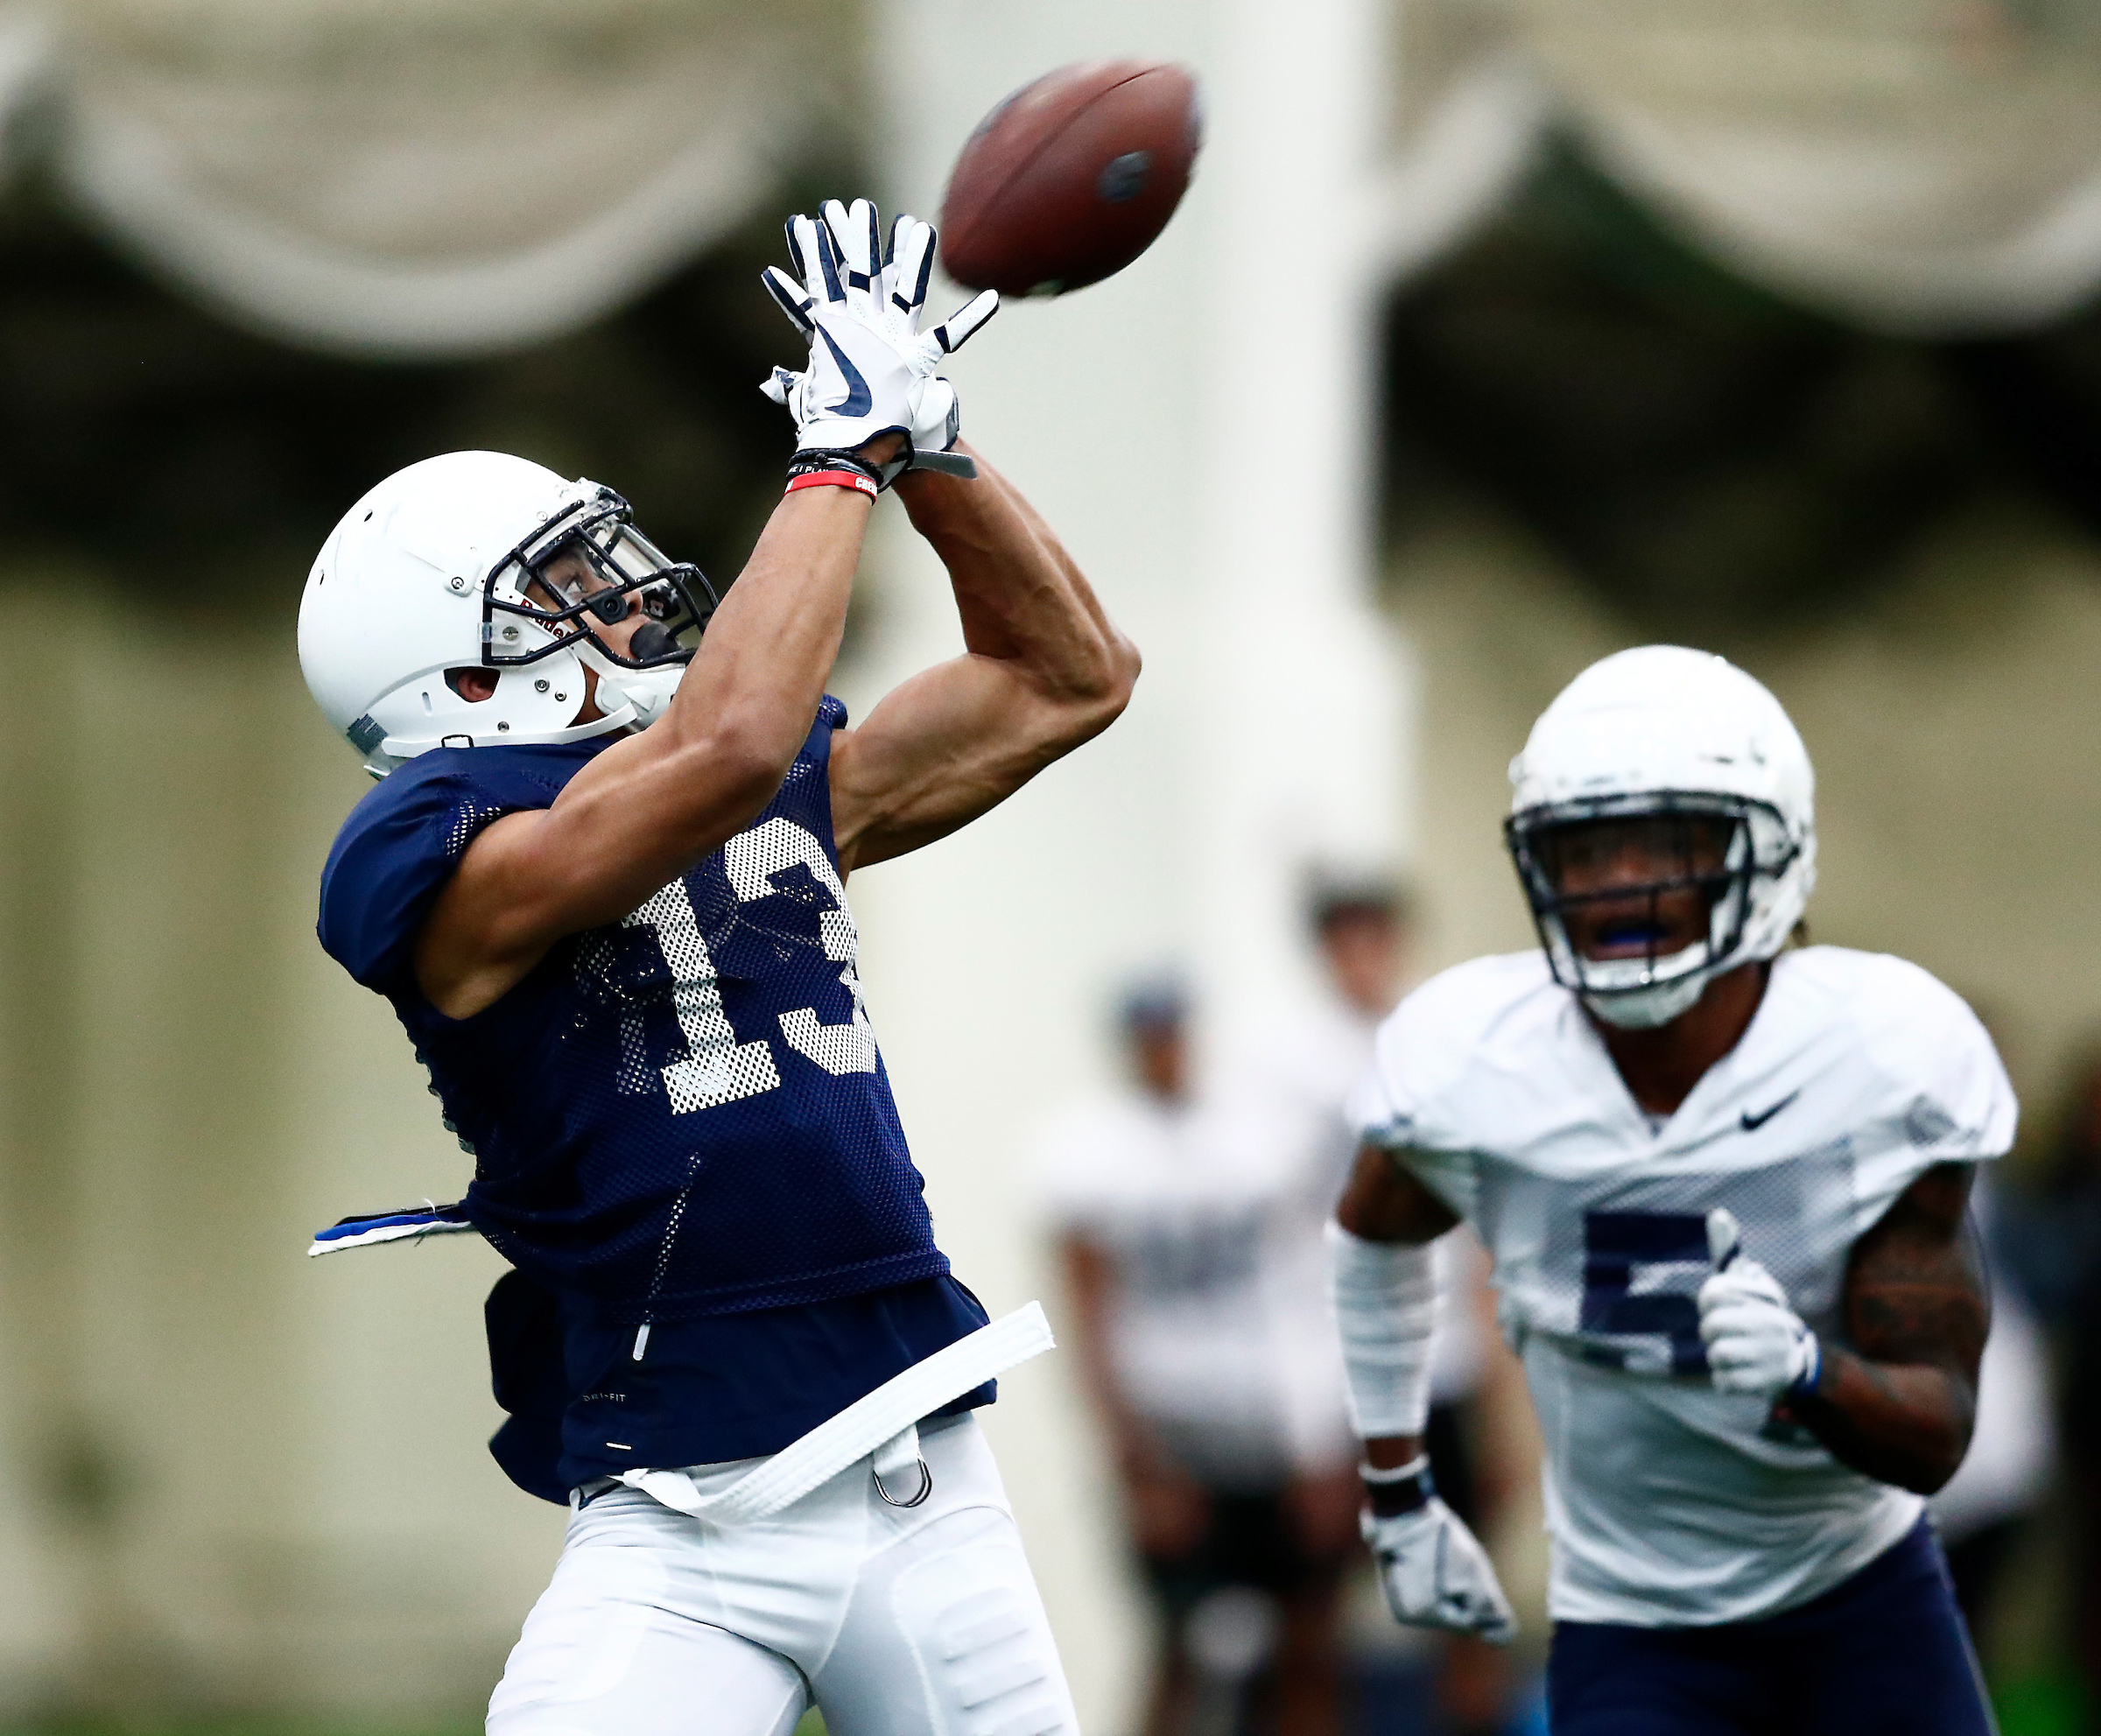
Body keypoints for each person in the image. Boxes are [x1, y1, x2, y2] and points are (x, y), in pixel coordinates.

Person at [297, 198, 1139, 1736]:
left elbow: (1069, 674)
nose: (625, 595)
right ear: (467, 676)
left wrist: (934, 450)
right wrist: (835, 455)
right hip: (691, 1508)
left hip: (921, 1457)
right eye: (565, 586)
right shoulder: (435, 847)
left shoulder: (734, 762)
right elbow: (728, 745)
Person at [1326, 646, 2009, 1734]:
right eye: (1585, 850)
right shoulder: (1473, 1061)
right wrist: (1401, 1491)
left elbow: (1936, 1428)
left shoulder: (1877, 1056)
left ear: (1770, 850)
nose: (1616, 886)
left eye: (1667, 845)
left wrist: (1806, 1373)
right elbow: (1370, 1244)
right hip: (1631, 1618)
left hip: (1858, 1590)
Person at [1041, 980, 1357, 1736]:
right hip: (1175, 1438)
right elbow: (1090, 1322)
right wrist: (1136, 1465)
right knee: (1178, 1650)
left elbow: (1312, 1287)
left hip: (1277, 1432)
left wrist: (1331, 1440)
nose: (1164, 1048)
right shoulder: (1089, 1150)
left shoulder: (1259, 1137)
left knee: (1310, 1646)